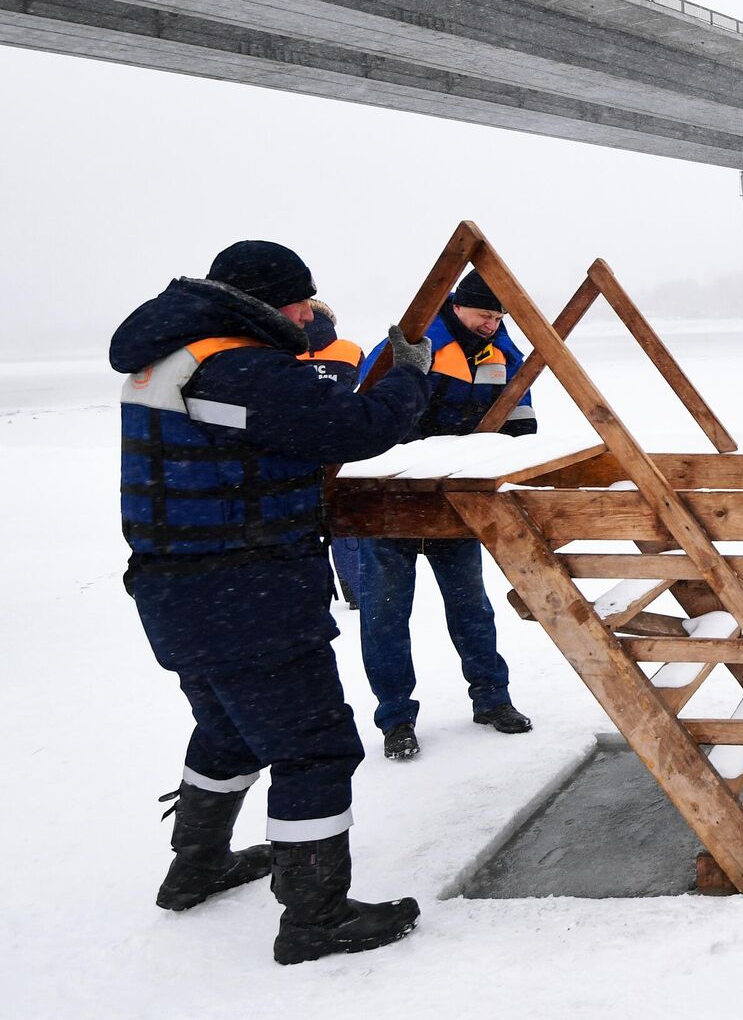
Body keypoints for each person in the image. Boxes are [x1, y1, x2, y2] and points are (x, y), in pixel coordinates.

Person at [113, 240, 435, 965]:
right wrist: (408, 378)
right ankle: (315, 917)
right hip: (246, 592)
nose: (305, 313)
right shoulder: (241, 367)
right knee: (316, 747)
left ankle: (196, 865)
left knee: (227, 731)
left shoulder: (170, 357)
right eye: (297, 299)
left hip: (176, 590)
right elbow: (349, 427)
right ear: (265, 300)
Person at [356, 271, 535, 761]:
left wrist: (511, 465)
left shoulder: (502, 351)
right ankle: (396, 719)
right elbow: (367, 410)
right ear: (457, 306)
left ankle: (492, 700)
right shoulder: (415, 345)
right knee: (386, 616)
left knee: (472, 608)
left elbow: (519, 413)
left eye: (499, 316)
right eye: (484, 314)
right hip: (389, 503)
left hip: (454, 503)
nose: (491, 324)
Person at [296, 301, 367, 610]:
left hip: (295, 448)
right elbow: (360, 390)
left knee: (299, 522)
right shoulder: (351, 351)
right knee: (342, 519)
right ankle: (357, 591)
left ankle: (308, 595)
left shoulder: (281, 352)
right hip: (340, 445)